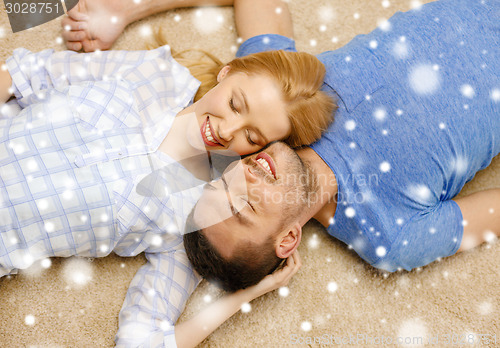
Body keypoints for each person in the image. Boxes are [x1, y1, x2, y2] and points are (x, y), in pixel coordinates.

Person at [0, 2, 337, 347]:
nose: (228, 129)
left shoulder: (197, 217)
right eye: (235, 104)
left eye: (251, 137)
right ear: (227, 72)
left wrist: (248, 292)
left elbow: (140, 341)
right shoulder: (156, 74)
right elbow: (27, 74)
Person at [183, 0, 500, 292]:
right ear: (289, 239)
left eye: (222, 181)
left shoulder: (279, 114)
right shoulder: (389, 238)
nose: (244, 175)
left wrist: (132, 9)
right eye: (246, 206)